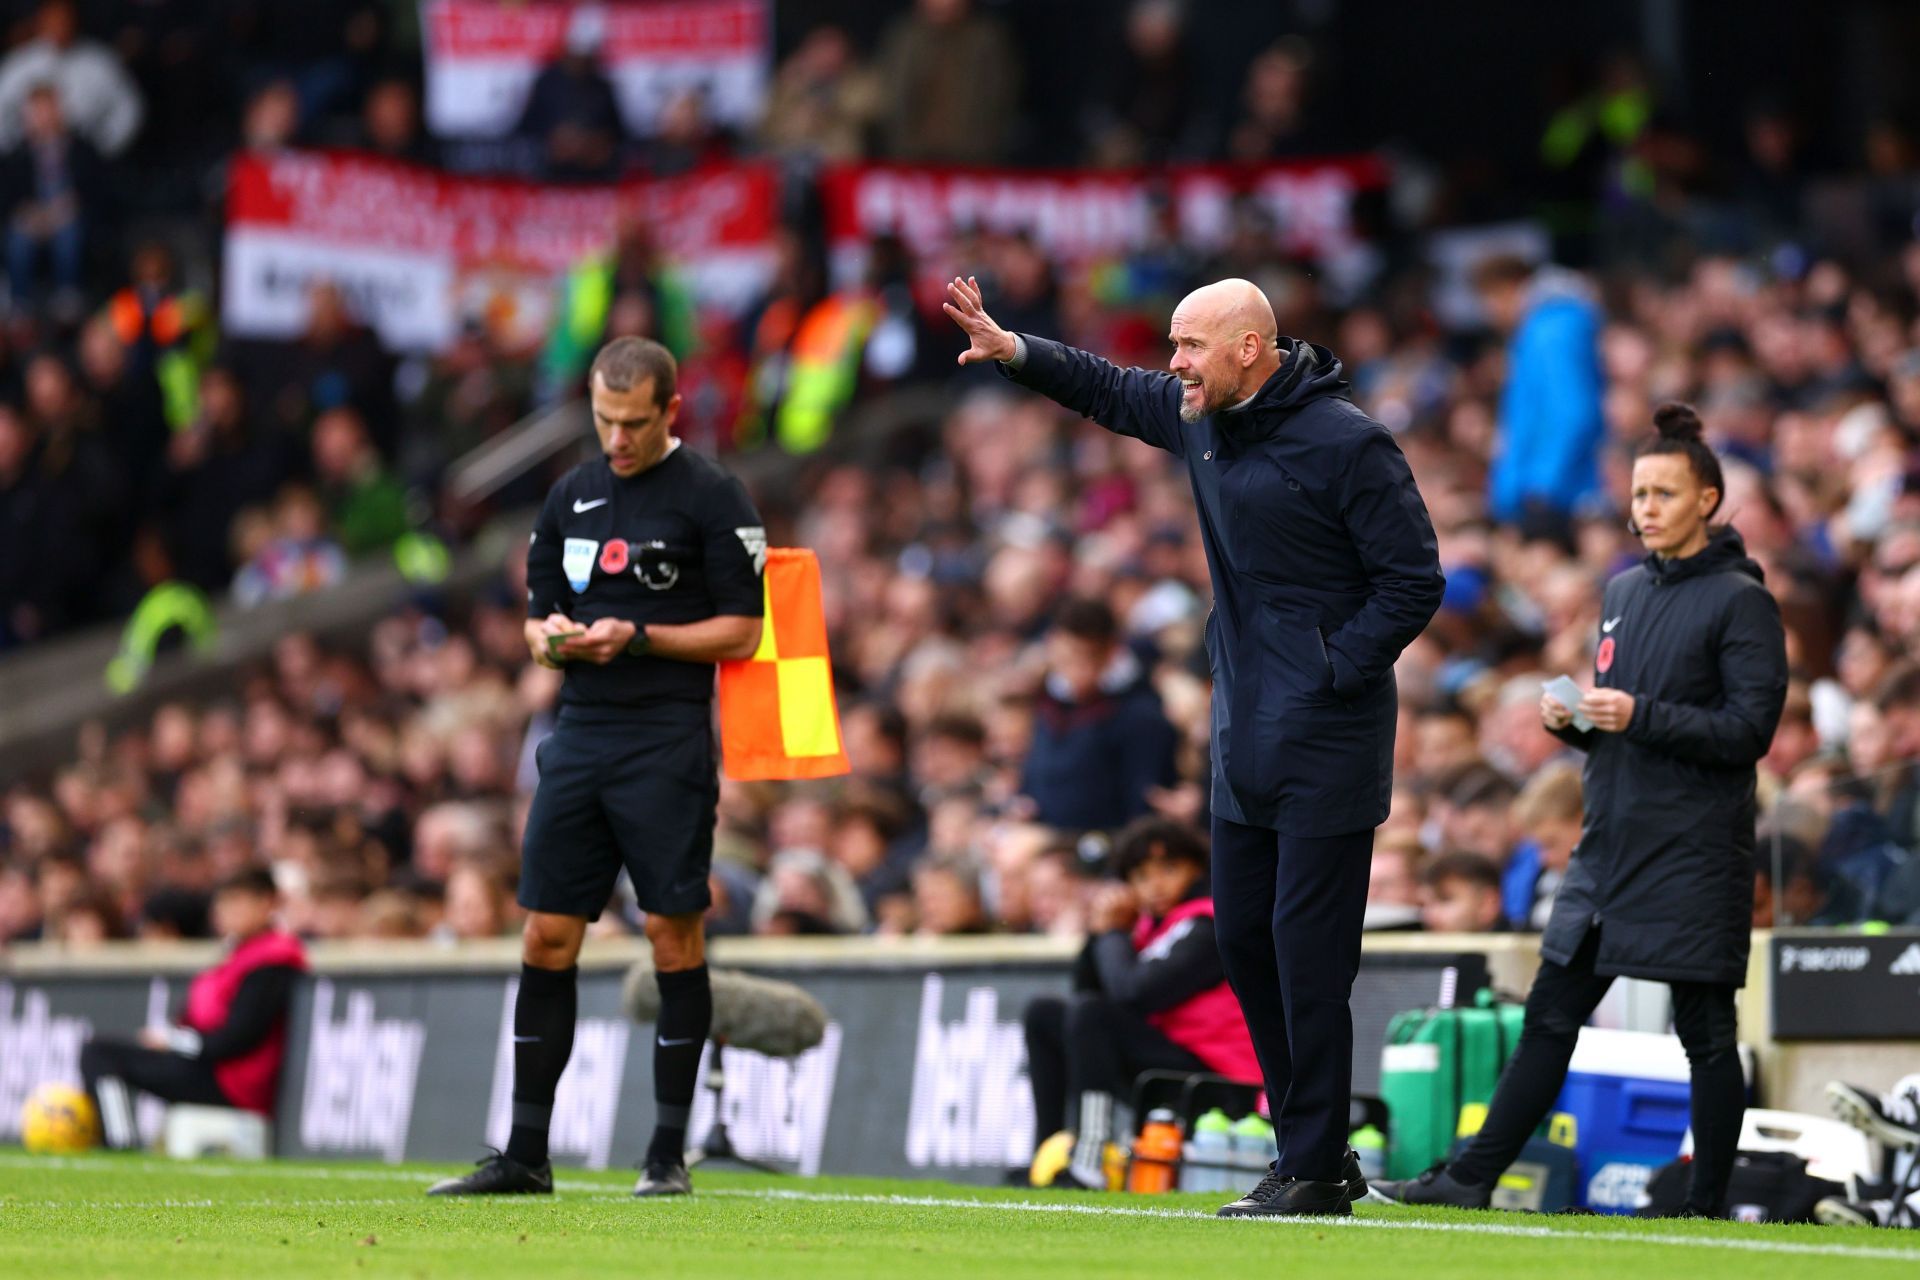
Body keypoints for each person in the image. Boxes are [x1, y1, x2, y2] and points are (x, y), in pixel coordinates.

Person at [946, 274, 1444, 1217]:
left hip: (1328, 738)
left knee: (1307, 954)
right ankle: (1313, 1156)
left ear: (1250, 348)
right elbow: (1110, 389)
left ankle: (1311, 1164)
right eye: (1173, 345)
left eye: (1190, 345)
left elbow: (1415, 580)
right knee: (1245, 944)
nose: (1172, 363)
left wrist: (1331, 667)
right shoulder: (1201, 416)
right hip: (1240, 736)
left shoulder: (1350, 443)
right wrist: (1017, 351)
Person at [1370, 403, 1789, 1219]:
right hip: (1608, 842)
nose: (1646, 509)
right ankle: (1470, 1179)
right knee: (1549, 1017)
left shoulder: (1742, 602)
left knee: (1704, 1033)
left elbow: (1750, 732)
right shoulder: (1624, 590)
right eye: (1639, 494)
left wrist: (1637, 716)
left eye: (1665, 493)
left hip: (1693, 849)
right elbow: (1624, 724)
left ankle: (1705, 1205)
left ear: (1708, 500)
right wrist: (1578, 725)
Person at [427, 337, 765, 1199]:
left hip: (667, 741)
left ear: (670, 411)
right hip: (578, 737)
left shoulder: (713, 496)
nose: (616, 438)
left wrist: (641, 636)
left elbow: (745, 630)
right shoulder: (570, 496)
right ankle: (526, 1155)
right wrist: (550, 640)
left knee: (670, 936)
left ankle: (664, 1156)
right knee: (546, 935)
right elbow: (539, 618)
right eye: (604, 420)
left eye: (633, 423)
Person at [1024, 818, 1260, 1190]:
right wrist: (1100, 932)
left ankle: (1091, 1160)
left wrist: (1113, 933)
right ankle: (1044, 1154)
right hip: (1167, 1068)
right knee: (1045, 1014)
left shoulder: (1207, 924)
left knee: (1093, 1014)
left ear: (1197, 869)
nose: (1156, 885)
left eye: (1169, 869)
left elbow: (1135, 993)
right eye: (1142, 876)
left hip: (1219, 1083)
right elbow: (1088, 989)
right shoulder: (1149, 927)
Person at [79, 868, 307, 1148]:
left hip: (232, 1082)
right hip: (210, 1067)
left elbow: (237, 1038)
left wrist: (173, 1041)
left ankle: (119, 1143)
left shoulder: (273, 959)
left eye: (237, 900)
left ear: (266, 903)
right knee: (104, 1051)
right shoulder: (238, 954)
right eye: (222, 902)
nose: (226, 911)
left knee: (100, 1055)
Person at [1019, 596, 1178, 833]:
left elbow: (1143, 813)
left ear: (1111, 651)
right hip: (1044, 841)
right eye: (1066, 658)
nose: (1075, 670)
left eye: (1085, 657)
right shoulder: (1047, 702)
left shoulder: (1141, 716)